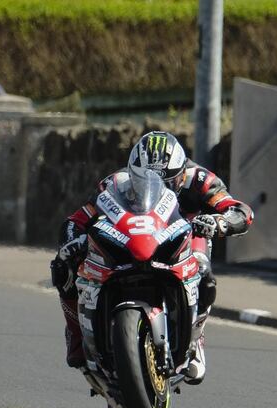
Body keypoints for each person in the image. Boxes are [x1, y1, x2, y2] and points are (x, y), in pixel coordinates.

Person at [50, 131, 254, 385]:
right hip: (133, 240)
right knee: (63, 267)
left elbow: (239, 210)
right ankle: (77, 335)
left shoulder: (200, 179)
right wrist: (71, 242)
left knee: (202, 265)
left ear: (181, 172)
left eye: (169, 180)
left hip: (179, 240)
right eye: (144, 179)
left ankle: (196, 339)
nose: (159, 186)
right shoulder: (117, 182)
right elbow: (78, 219)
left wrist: (220, 221)